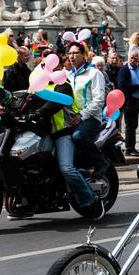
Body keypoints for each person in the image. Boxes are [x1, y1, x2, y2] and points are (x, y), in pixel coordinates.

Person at [35, 75, 104, 220]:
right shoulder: (37, 87)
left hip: (64, 132)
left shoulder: (62, 84)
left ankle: (91, 200)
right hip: (46, 133)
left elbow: (55, 103)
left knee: (66, 168)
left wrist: (39, 112)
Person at [67, 42, 109, 176]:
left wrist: (82, 115)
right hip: (71, 117)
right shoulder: (68, 75)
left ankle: (101, 161)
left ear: (83, 54)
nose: (71, 56)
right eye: (69, 53)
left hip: (90, 117)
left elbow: (99, 100)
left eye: (75, 53)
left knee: (78, 136)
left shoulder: (94, 73)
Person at [117, 48, 139, 156]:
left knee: (134, 125)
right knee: (130, 125)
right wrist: (138, 87)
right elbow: (122, 85)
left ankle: (132, 147)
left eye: (135, 57)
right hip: (129, 101)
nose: (133, 59)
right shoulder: (124, 70)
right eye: (131, 57)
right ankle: (129, 148)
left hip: (137, 101)